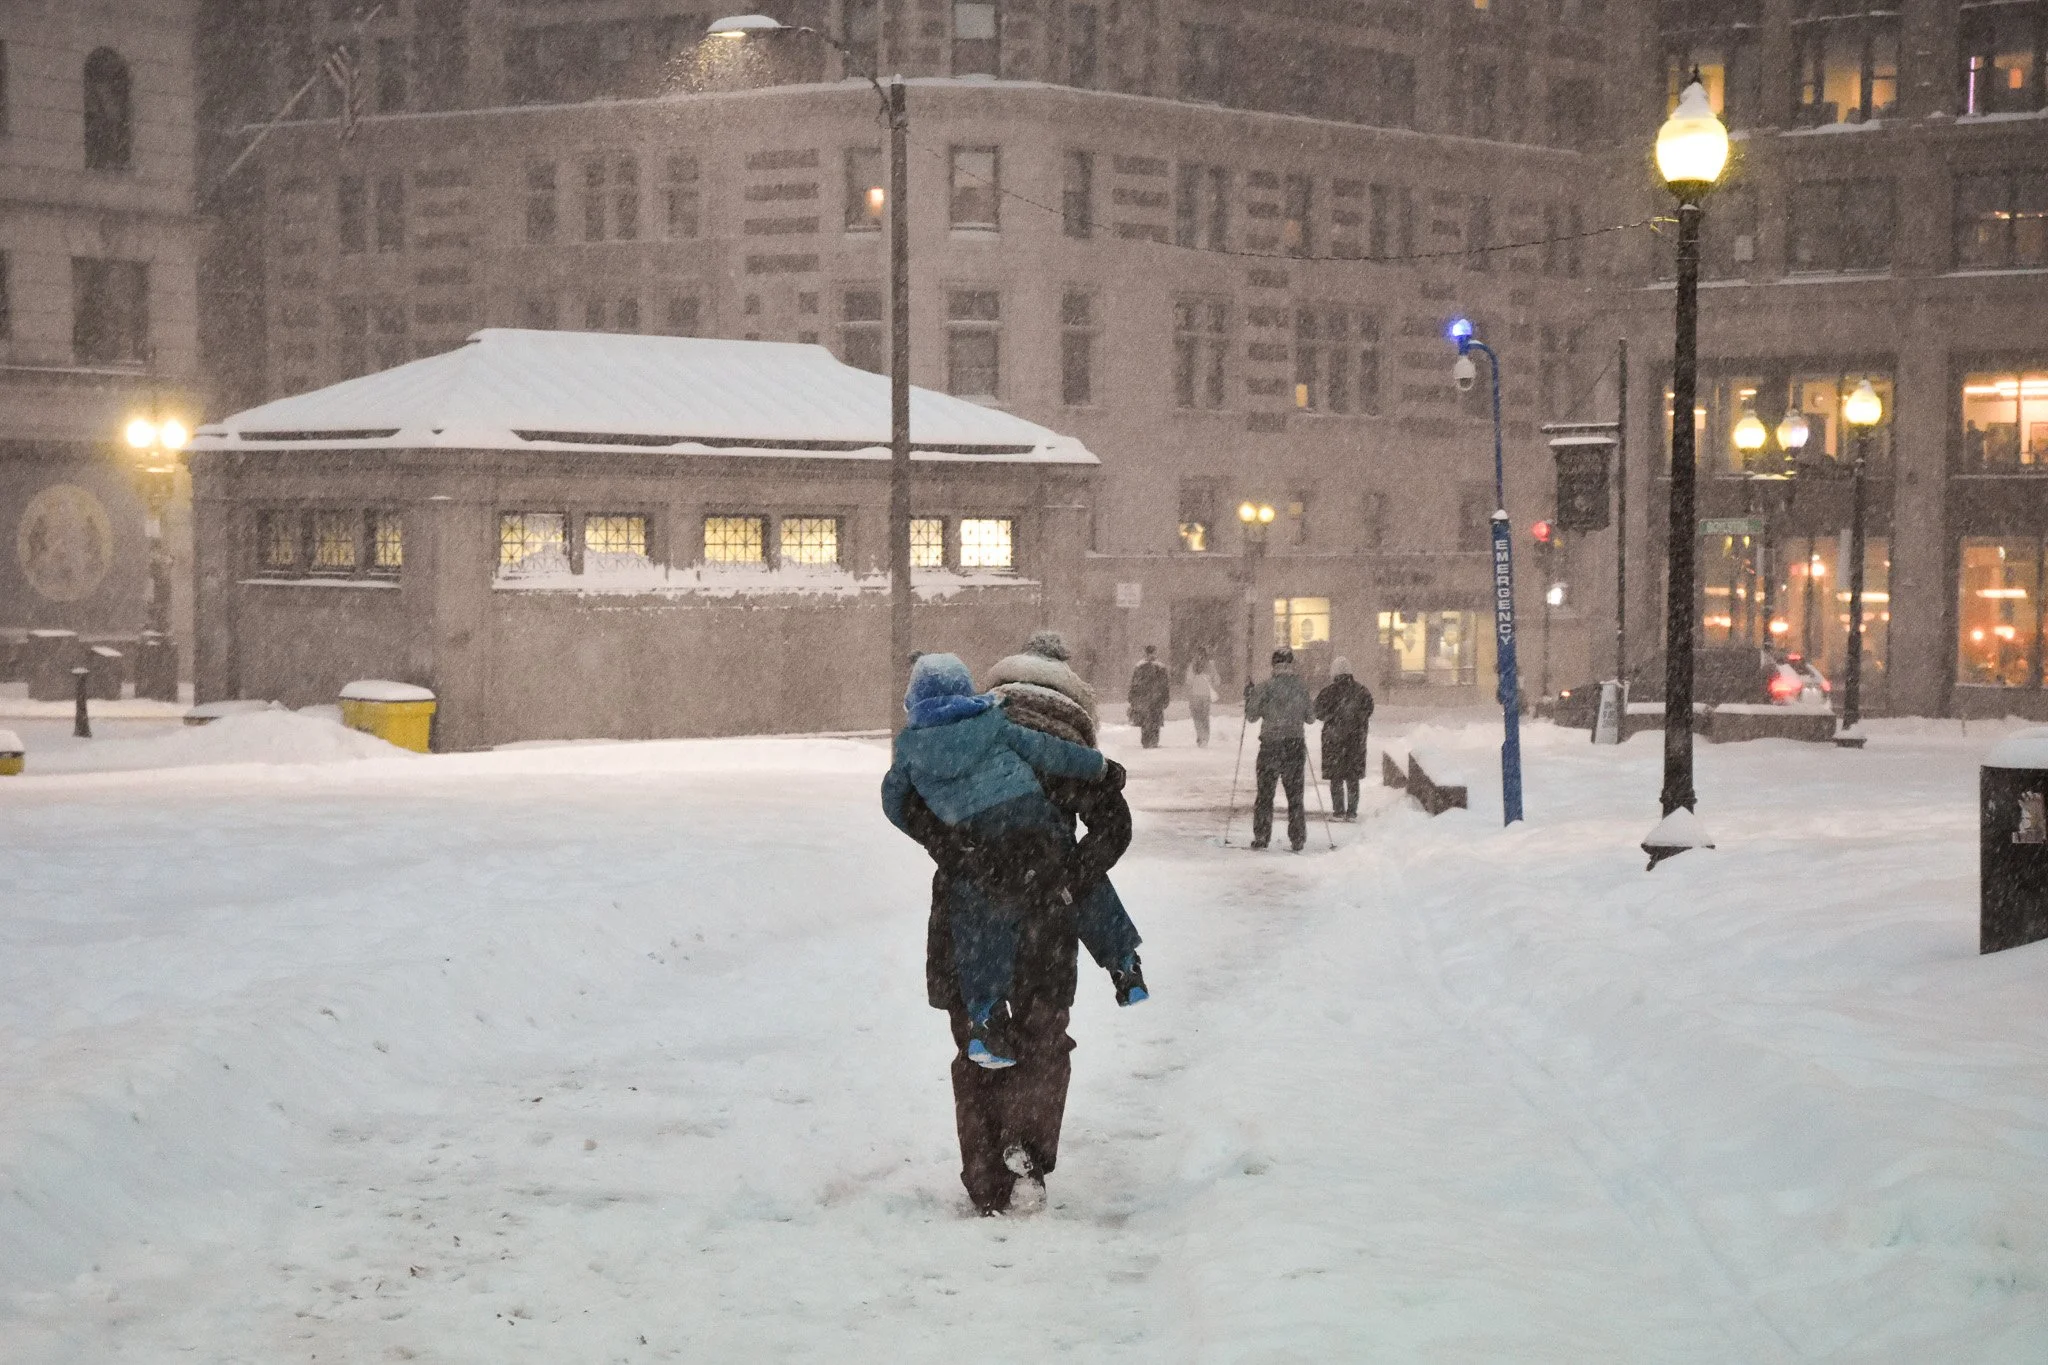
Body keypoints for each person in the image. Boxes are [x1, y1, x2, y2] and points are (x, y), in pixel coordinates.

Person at [881, 653, 1147, 1069]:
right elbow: (1056, 758)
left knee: (976, 910)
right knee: (1077, 884)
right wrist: (1102, 769)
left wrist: (948, 843)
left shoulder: (912, 750)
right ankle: (1123, 960)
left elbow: (896, 805)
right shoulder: (998, 726)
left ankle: (987, 1017)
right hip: (1032, 827)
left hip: (976, 845)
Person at [1244, 646, 1313, 851]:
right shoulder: (1301, 687)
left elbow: (1251, 716)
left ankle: (1262, 835)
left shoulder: (1265, 687)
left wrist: (1249, 696)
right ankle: (1297, 837)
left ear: (1273, 665)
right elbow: (1310, 718)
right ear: (1291, 664)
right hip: (1294, 745)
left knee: (1265, 794)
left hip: (1270, 745)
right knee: (1295, 794)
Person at [1314, 656, 1374, 820]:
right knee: (1352, 778)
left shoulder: (1328, 692)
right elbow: (1368, 710)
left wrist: (1332, 718)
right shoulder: (1361, 691)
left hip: (1333, 740)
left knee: (1336, 777)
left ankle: (1338, 811)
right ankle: (1352, 811)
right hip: (1356, 740)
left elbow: (1317, 711)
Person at [1126, 646, 1171, 748]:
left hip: (1144, 698)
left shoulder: (1139, 667)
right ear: (1155, 653)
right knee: (1155, 720)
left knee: (1146, 720)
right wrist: (1165, 698)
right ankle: (1153, 741)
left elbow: (1134, 684)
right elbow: (1165, 685)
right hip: (1156, 698)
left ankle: (1146, 741)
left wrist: (1132, 696)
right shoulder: (1160, 667)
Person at [1184, 649, 1220, 747]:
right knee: (1205, 717)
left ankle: (1200, 736)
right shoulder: (1210, 666)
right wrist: (1210, 682)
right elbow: (1217, 681)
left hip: (1195, 695)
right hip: (1206, 696)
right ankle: (1205, 738)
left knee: (1197, 717)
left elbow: (1189, 681)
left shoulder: (1192, 666)